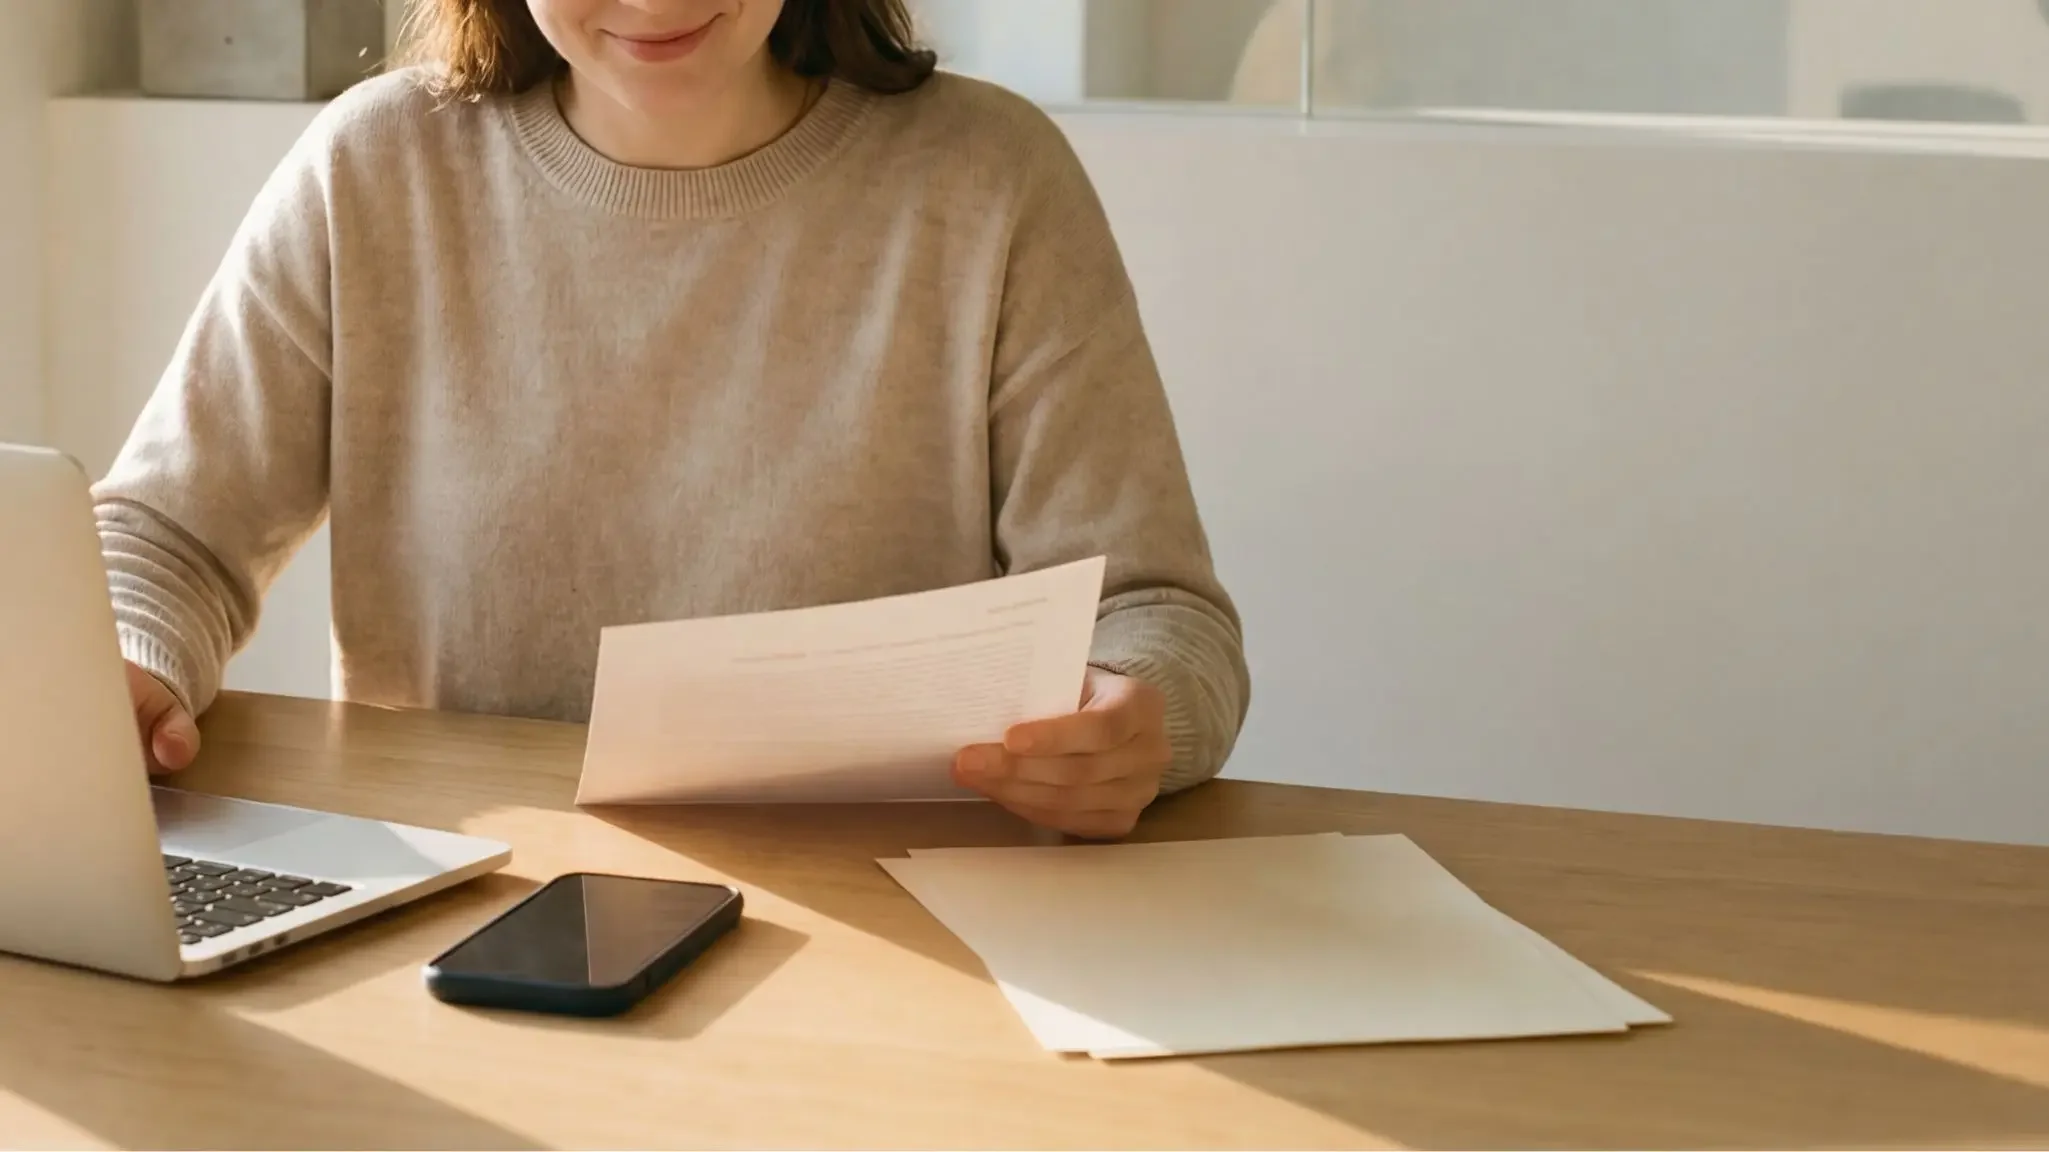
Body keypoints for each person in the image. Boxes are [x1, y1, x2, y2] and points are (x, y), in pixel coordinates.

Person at [97, 0, 1250, 839]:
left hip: (895, 934)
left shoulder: (991, 183)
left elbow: (1158, 619)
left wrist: (1135, 723)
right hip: (465, 909)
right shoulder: (373, 167)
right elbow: (163, 540)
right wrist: (127, 661)